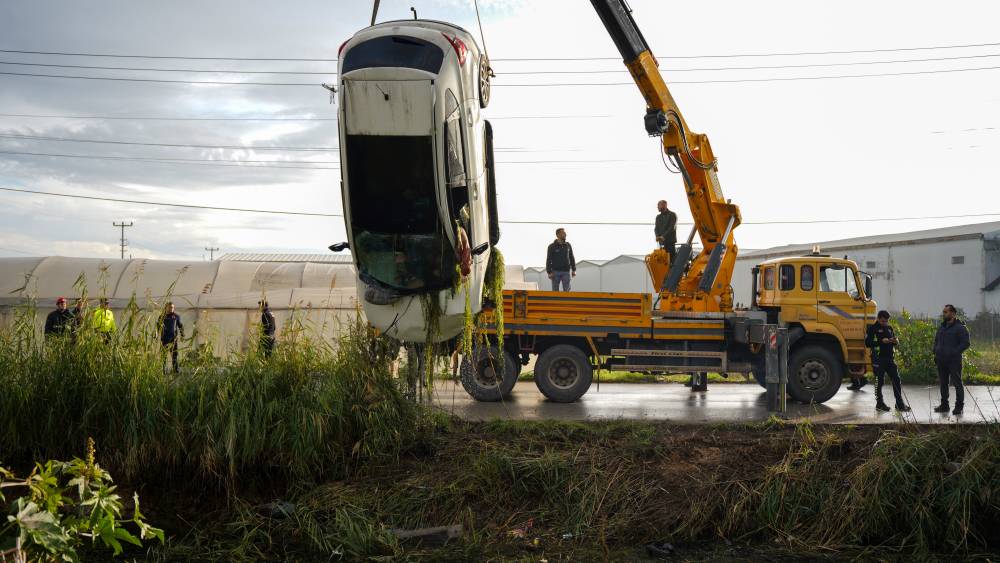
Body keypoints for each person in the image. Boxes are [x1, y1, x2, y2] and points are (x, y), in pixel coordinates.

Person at [864, 310, 910, 412]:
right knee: (879, 382)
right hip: (878, 359)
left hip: (890, 358)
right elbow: (867, 343)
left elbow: (894, 340)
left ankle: (899, 404)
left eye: (886, 321)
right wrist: (881, 341)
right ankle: (879, 403)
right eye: (883, 321)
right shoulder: (872, 329)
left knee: (896, 380)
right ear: (878, 318)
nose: (885, 323)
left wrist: (895, 341)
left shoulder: (889, 328)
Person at [933, 304, 970, 415]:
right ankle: (944, 405)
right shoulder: (942, 327)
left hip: (953, 361)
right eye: (943, 311)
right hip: (941, 360)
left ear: (953, 313)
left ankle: (959, 406)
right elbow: (936, 341)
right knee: (943, 383)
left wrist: (953, 352)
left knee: (957, 383)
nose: (944, 314)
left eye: (946, 312)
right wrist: (935, 351)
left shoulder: (960, 328)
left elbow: (966, 343)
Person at [160, 301, 184, 374]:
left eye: (173, 307)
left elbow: (180, 326)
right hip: (164, 340)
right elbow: (158, 327)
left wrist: (182, 335)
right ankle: (163, 370)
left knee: (174, 356)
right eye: (170, 307)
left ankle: (175, 370)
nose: (172, 309)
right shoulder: (162, 317)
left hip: (173, 340)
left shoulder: (176, 316)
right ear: (166, 308)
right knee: (163, 356)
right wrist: (155, 335)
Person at [654, 200, 678, 264]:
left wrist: (663, 236)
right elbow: (656, 228)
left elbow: (672, 227)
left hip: (670, 242)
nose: (657, 207)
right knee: (663, 262)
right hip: (662, 243)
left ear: (664, 205)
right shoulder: (658, 217)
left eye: (659, 205)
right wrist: (657, 236)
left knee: (672, 261)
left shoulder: (672, 215)